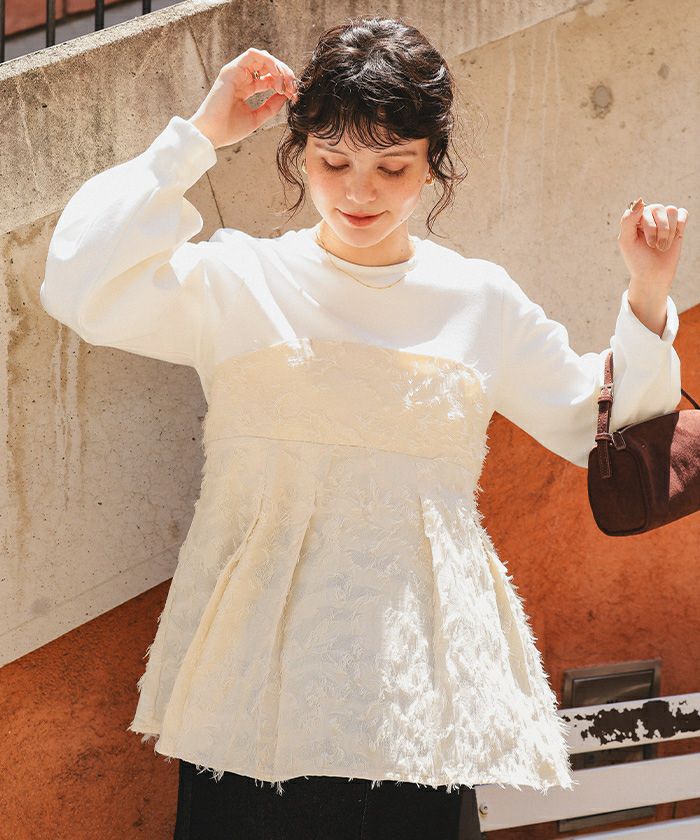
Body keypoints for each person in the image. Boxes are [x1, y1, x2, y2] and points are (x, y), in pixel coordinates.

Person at [39, 16, 687, 840]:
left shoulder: (479, 299)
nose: (359, 192)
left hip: (421, 684)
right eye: (334, 161)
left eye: (392, 166)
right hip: (255, 679)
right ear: (299, 153)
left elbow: (599, 425)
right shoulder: (241, 278)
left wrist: (648, 290)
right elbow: (81, 283)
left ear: (432, 166)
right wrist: (199, 135)